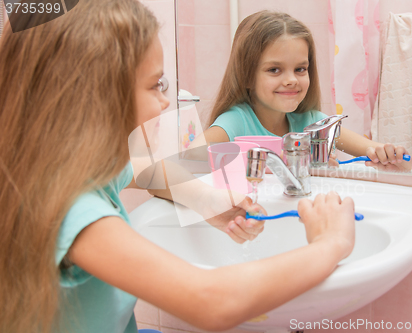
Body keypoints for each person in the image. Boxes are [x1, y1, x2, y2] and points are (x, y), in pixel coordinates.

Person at [0, 1, 355, 333]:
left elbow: (150, 172)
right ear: (96, 96)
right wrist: (331, 243)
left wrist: (207, 202)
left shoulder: (71, 171)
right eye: (156, 85)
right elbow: (211, 301)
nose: (166, 99)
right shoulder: (71, 212)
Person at [189, 10, 412, 172]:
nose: (291, 80)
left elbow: (381, 153)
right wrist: (289, 162)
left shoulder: (314, 124)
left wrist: (387, 154)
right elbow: (174, 172)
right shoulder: (234, 124)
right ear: (247, 75)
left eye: (300, 69)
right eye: (274, 70)